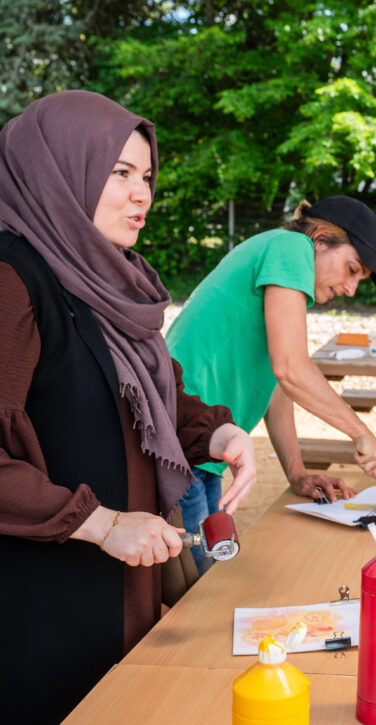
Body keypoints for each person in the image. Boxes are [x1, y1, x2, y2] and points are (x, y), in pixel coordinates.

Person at [0, 90, 258, 724]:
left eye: (146, 176)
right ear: (59, 171)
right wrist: (103, 523)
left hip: (118, 599)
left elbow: (157, 390)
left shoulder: (102, 278)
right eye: (118, 174)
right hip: (40, 613)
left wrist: (218, 435)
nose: (142, 194)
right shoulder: (13, 281)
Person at [167, 196, 376, 573]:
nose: (352, 288)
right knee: (199, 593)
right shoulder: (292, 246)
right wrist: (363, 434)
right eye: (351, 269)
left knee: (205, 580)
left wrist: (297, 473)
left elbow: (276, 384)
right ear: (320, 239)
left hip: (200, 446)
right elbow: (291, 368)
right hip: (181, 438)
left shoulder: (281, 258)